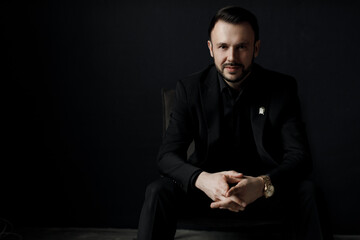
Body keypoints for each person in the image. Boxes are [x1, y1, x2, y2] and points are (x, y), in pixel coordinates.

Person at [137, 6, 323, 240]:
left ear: (255, 48)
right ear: (211, 49)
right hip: (206, 195)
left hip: (263, 194)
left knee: (308, 192)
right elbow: (166, 157)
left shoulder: (282, 89)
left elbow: (300, 157)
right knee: (158, 191)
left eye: (241, 47)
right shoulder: (190, 89)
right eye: (223, 46)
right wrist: (202, 180)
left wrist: (261, 184)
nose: (232, 58)